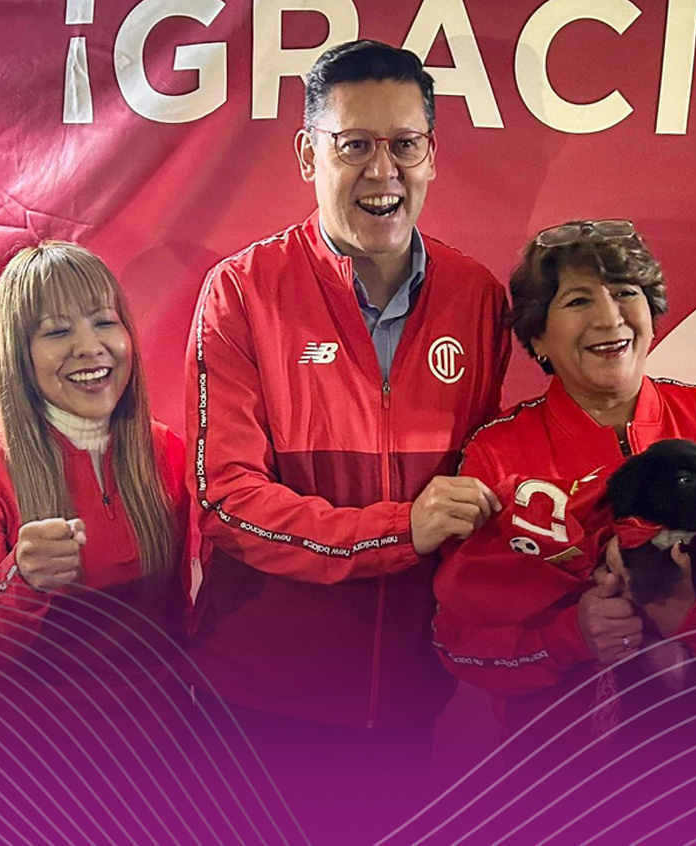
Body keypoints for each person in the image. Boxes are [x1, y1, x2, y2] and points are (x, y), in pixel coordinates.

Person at [184, 40, 509, 833]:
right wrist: (399, 531)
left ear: (431, 154)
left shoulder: (477, 295)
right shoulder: (242, 292)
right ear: (309, 155)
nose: (382, 171)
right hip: (256, 705)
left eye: (404, 144)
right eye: (354, 144)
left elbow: (488, 477)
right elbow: (227, 500)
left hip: (408, 707)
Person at [432, 220, 696, 760]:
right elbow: (459, 638)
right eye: (578, 300)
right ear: (538, 337)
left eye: (625, 292)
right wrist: (573, 635)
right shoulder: (497, 452)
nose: (610, 318)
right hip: (560, 778)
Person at [0, 242, 192, 838]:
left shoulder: (164, 450)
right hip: (28, 783)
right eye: (57, 330)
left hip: (160, 766)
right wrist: (24, 580)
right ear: (20, 354)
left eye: (103, 321)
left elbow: (178, 621)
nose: (90, 346)